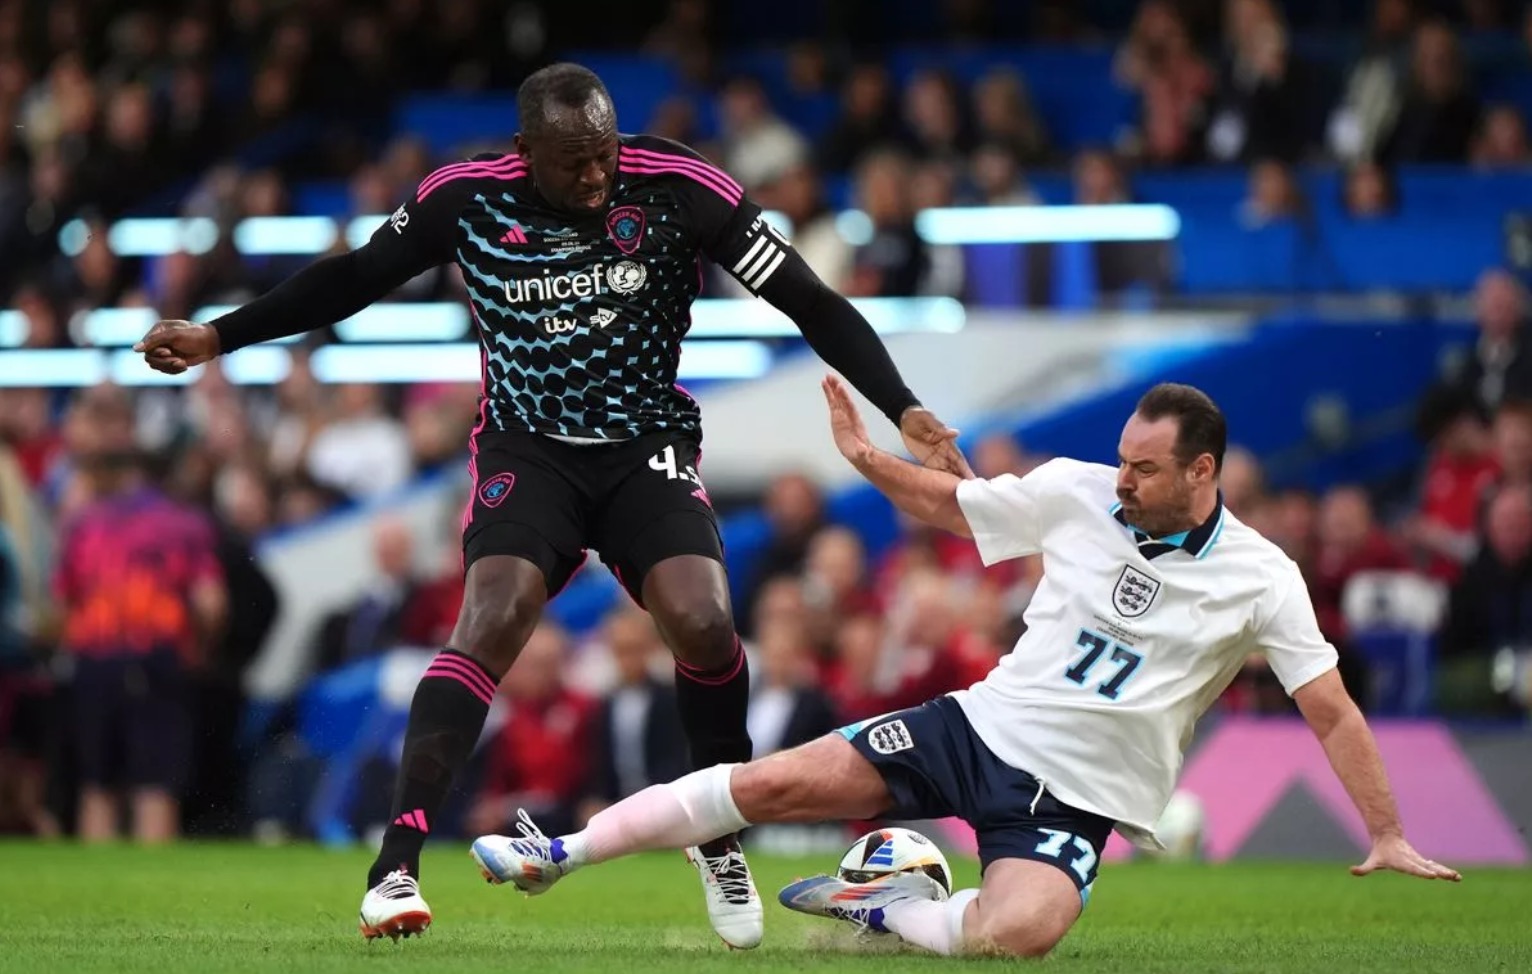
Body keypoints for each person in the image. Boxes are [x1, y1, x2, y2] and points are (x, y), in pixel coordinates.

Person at [132, 63, 970, 947]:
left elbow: (809, 298)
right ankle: (395, 867)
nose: (595, 177)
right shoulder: (465, 199)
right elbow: (353, 279)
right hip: (530, 452)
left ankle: (717, 836)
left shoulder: (681, 186)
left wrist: (903, 404)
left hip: (645, 446)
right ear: (526, 151)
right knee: (492, 616)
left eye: (604, 155)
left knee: (707, 623)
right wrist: (220, 335)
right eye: (573, 162)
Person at [470, 378, 1460, 959]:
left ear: (1202, 473)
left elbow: (1327, 708)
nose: (1121, 478)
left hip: (1074, 800)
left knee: (1021, 931)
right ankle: (558, 851)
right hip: (976, 725)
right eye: (1121, 457)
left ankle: (884, 903)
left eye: (1144, 468)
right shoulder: (1076, 491)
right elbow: (956, 506)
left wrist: (1384, 829)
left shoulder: (1262, 576)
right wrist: (865, 459)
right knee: (770, 782)